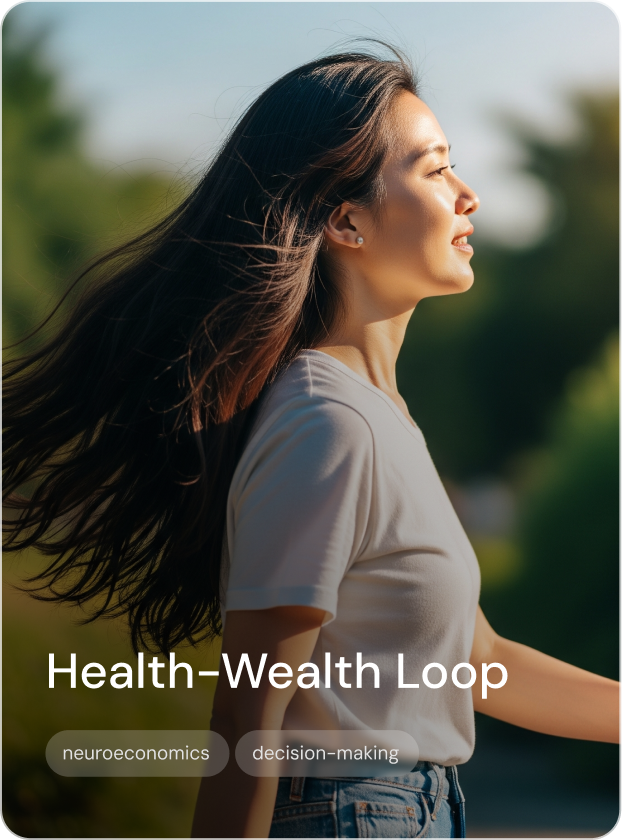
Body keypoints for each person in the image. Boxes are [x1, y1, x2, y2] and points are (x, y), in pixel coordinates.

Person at [3, 45, 618, 839]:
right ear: (347, 219)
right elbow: (249, 719)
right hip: (354, 814)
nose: (468, 195)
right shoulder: (329, 426)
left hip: (404, 810)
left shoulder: (377, 419)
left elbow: (477, 664)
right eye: (435, 171)